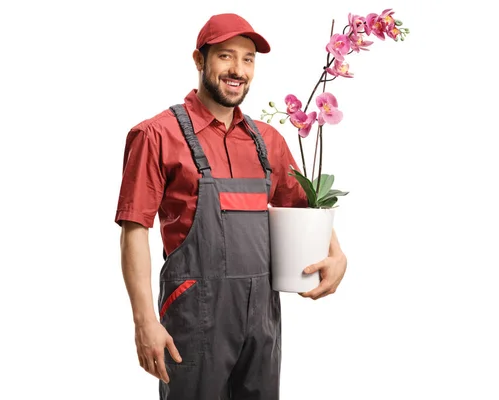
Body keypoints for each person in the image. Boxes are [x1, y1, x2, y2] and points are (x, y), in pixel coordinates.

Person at [114, 12, 347, 400]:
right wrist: (144, 322)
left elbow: (306, 206)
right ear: (199, 60)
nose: (238, 69)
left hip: (262, 317)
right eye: (225, 56)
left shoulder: (267, 140)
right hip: (192, 316)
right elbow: (134, 229)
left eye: (248, 58)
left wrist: (337, 254)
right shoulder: (156, 134)